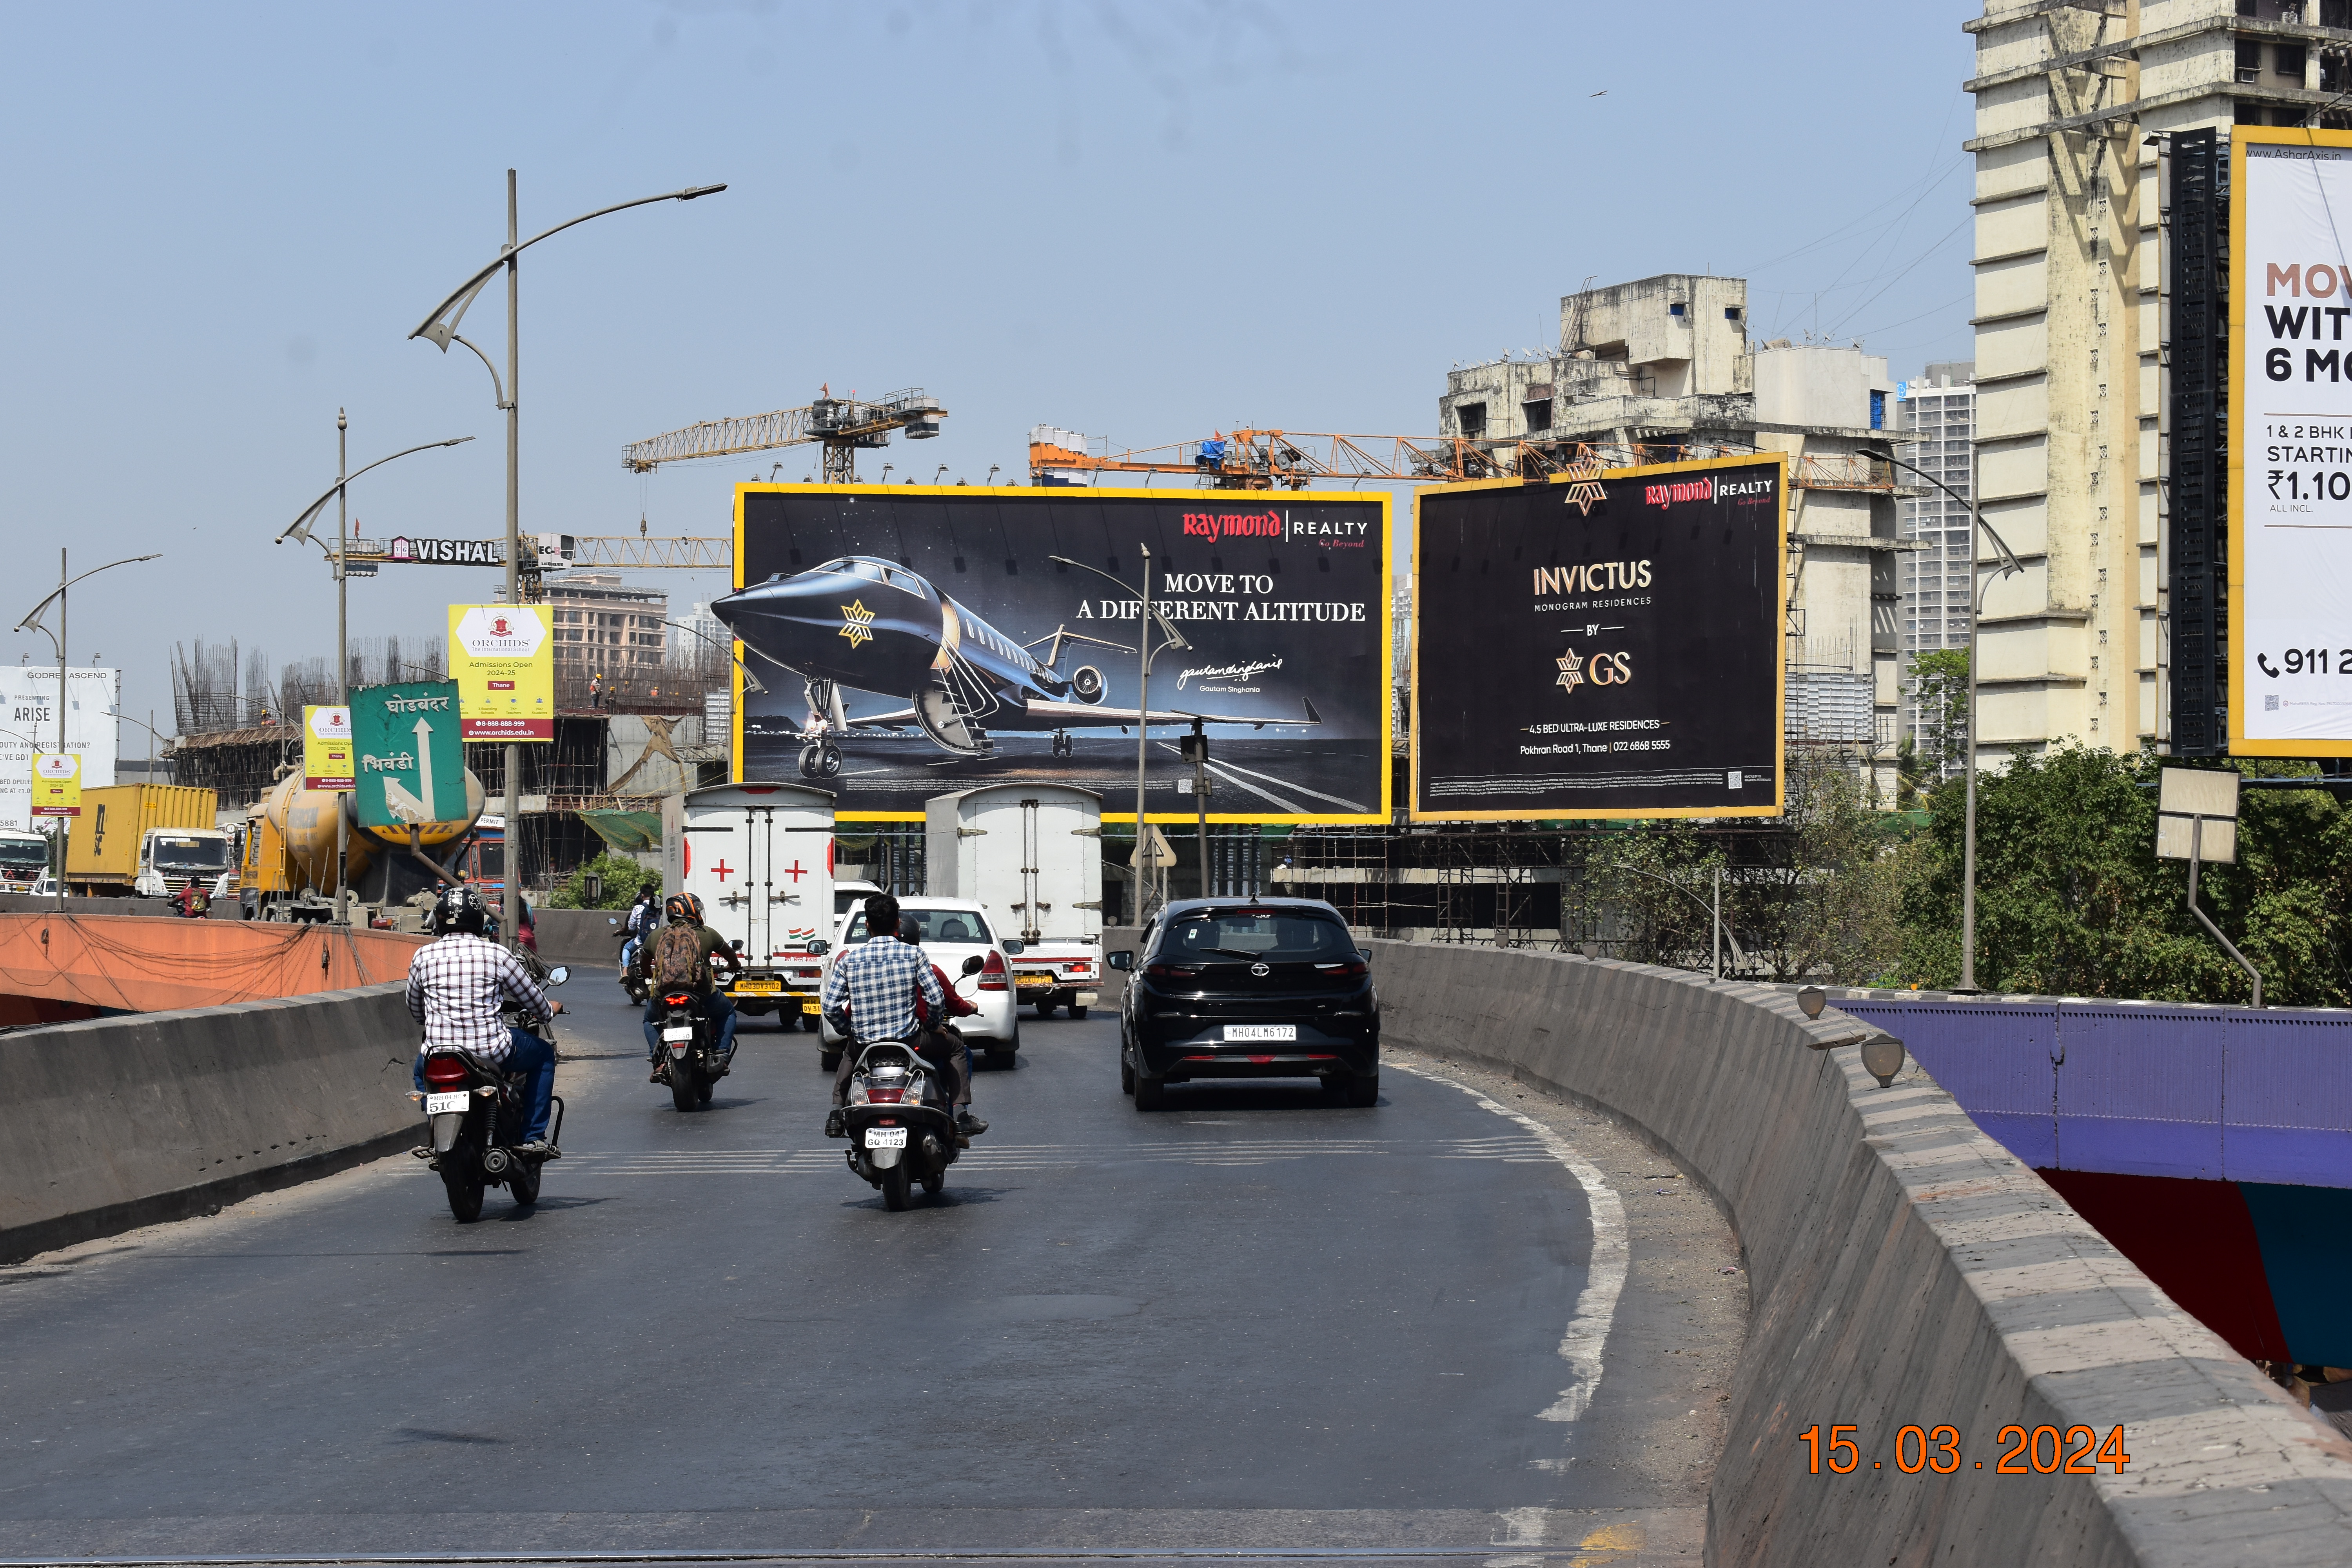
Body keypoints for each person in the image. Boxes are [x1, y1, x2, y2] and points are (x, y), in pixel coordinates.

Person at [405, 884, 564, 1156]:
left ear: (440, 921)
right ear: (479, 920)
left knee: (421, 1071)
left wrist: (429, 1020)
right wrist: (549, 1010)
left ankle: (434, 1122)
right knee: (544, 1055)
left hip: (439, 1053)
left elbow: (415, 1007)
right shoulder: (497, 954)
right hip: (492, 1049)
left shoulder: (423, 956)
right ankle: (533, 1137)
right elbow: (533, 1000)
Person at [820, 893, 986, 1141]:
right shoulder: (914, 955)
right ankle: (961, 1115)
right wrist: (932, 1026)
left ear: (867, 924)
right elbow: (937, 998)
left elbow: (831, 1006)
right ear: (897, 923)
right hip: (911, 1041)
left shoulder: (849, 960)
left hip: (866, 1044)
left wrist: (850, 1030)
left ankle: (835, 1114)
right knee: (957, 1048)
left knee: (849, 1052)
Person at [639, 891, 741, 1081]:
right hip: (701, 995)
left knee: (649, 1021)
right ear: (691, 910)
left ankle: (659, 1062)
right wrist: (734, 966)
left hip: (664, 996)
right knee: (728, 1013)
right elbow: (730, 954)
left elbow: (644, 963)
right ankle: (723, 1056)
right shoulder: (707, 933)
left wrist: (647, 973)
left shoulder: (656, 936)